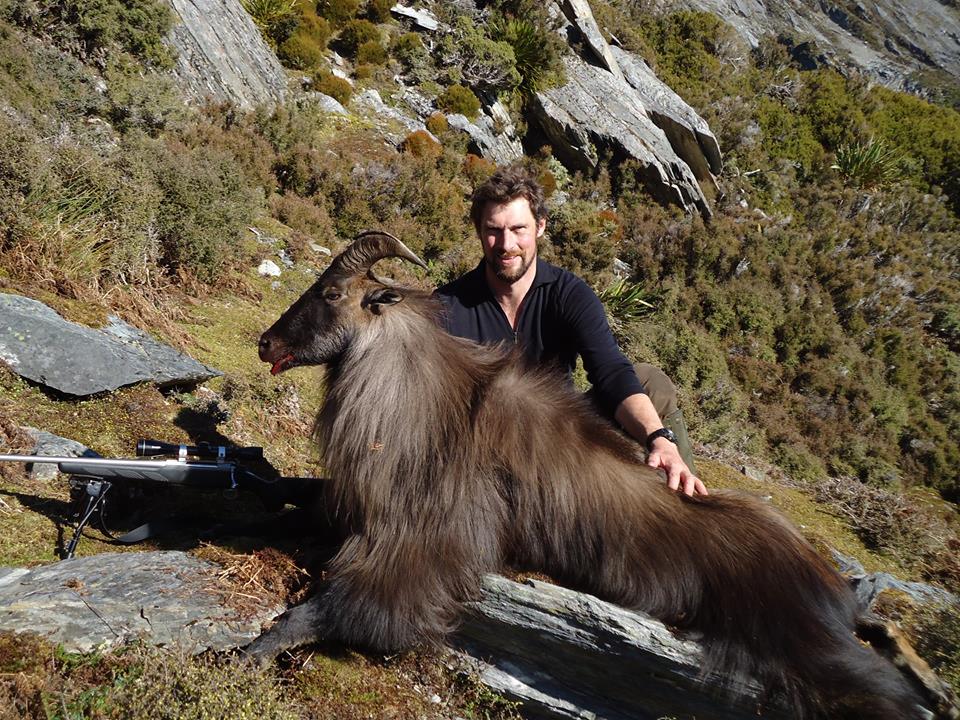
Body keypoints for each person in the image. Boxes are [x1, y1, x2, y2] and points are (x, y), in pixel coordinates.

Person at [437, 164, 706, 496]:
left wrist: (658, 438)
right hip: (487, 448)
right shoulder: (448, 306)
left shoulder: (568, 293)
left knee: (649, 380)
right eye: (494, 230)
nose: (506, 244)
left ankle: (687, 497)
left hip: (562, 432)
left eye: (518, 229)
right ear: (479, 230)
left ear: (540, 227)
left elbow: (609, 371)